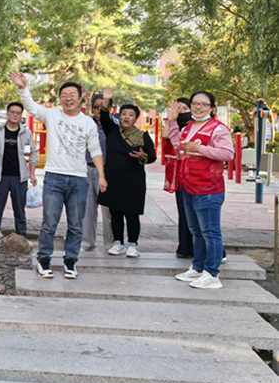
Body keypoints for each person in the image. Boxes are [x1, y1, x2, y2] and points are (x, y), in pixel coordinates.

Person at [8, 72, 105, 279]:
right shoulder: (52, 115)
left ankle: (71, 261)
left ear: (80, 98)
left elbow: (95, 150)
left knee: (76, 225)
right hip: (54, 178)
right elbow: (32, 108)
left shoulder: (88, 123)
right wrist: (23, 88)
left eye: (72, 95)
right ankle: (44, 259)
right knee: (49, 223)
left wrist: (102, 176)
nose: (68, 98)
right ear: (60, 98)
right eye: (64, 95)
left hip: (79, 179)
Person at [166, 91, 234, 289]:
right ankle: (197, 267)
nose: (198, 107)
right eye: (195, 104)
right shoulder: (189, 126)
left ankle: (212, 274)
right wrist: (172, 122)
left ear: (211, 108)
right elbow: (178, 145)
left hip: (209, 188)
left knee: (210, 232)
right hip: (188, 186)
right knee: (195, 230)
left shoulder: (218, 129)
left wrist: (200, 149)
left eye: (203, 104)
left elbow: (228, 153)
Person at [97, 90, 157, 257]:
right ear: (120, 116)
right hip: (113, 180)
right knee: (115, 213)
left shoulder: (142, 136)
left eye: (131, 115)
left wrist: (142, 156)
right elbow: (103, 117)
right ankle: (118, 243)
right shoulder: (112, 131)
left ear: (135, 118)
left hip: (134, 181)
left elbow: (152, 156)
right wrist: (107, 100)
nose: (126, 117)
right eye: (124, 114)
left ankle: (133, 244)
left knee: (132, 214)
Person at [0, 102, 38, 238]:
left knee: (20, 209)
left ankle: (21, 236)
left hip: (19, 177)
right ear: (7, 113)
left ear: (21, 115)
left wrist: (32, 174)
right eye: (12, 112)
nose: (15, 115)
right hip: (0, 176)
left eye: (18, 113)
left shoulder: (26, 132)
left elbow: (33, 152)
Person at [162, 97, 194, 258]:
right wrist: (171, 119)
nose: (181, 112)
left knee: (199, 214)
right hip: (180, 177)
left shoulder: (195, 127)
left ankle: (213, 251)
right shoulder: (174, 127)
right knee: (184, 212)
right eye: (178, 109)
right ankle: (186, 247)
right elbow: (166, 135)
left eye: (185, 109)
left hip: (197, 176)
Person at [82, 93, 113, 251]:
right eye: (96, 107)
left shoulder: (115, 125)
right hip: (87, 169)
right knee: (87, 210)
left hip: (107, 172)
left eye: (103, 107)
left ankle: (111, 244)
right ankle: (87, 243)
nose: (99, 111)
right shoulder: (86, 124)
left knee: (108, 211)